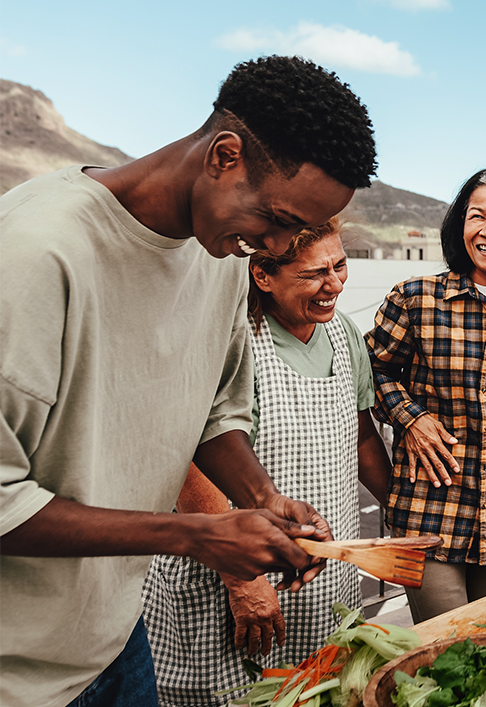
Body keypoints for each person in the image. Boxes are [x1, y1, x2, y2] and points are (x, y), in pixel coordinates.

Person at [0, 55, 376, 707]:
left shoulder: (224, 253)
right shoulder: (35, 253)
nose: (280, 248)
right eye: (279, 219)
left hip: (117, 637)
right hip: (19, 669)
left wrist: (261, 496)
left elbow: (214, 410)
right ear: (224, 156)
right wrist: (196, 536)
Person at [141, 219, 392, 705]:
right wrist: (243, 580)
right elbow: (187, 461)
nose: (335, 284)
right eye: (314, 274)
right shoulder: (227, 335)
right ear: (262, 275)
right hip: (228, 578)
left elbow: (361, 436)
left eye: (340, 266)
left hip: (323, 577)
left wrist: (403, 512)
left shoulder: (343, 334)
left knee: (321, 689)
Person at [367, 166, 486, 623]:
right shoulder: (415, 298)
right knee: (445, 649)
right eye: (477, 216)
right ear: (460, 224)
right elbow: (372, 370)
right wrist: (410, 417)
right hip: (429, 507)